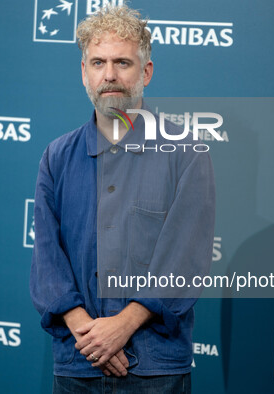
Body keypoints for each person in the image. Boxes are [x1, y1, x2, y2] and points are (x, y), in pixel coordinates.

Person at [30, 5, 215, 393]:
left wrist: (122, 326)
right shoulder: (56, 157)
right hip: (78, 364)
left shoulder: (186, 153)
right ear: (84, 72)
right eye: (98, 62)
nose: (109, 75)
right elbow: (48, 262)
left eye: (122, 63)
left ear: (145, 72)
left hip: (155, 371)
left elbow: (184, 258)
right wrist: (92, 337)